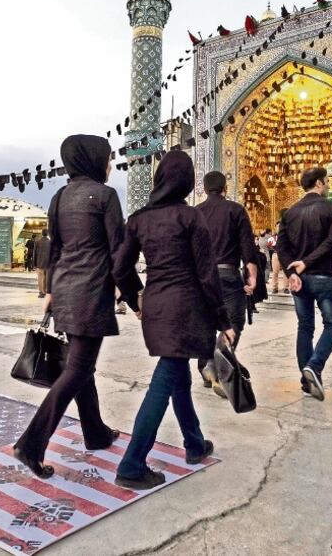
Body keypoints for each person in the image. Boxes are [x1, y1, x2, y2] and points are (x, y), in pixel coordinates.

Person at [13, 134, 142, 480]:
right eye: (109, 159)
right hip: (91, 292)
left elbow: (55, 251)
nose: (111, 166)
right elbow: (119, 253)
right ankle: (31, 444)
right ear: (94, 160)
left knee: (81, 366)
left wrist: (52, 291)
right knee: (77, 370)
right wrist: (135, 297)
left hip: (67, 291)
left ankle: (95, 432)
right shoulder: (105, 196)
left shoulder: (59, 197)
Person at [111, 151, 230, 489]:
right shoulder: (190, 217)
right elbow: (207, 274)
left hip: (156, 306)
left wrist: (136, 298)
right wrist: (223, 319)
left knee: (178, 376)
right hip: (186, 308)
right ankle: (132, 464)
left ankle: (195, 443)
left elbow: (120, 268)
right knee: (166, 379)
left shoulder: (139, 219)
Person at [275, 167, 332, 401]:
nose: (329, 185)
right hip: (323, 276)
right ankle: (314, 366)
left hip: (299, 280)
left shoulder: (289, 213)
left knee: (305, 327)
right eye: (327, 181)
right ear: (319, 183)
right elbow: (331, 242)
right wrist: (306, 263)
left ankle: (307, 383)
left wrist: (291, 272)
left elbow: (281, 247)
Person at [195, 171, 259, 396]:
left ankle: (206, 368)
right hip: (228, 275)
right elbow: (248, 248)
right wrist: (252, 277)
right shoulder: (235, 210)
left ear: (204, 189)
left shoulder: (195, 213)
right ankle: (217, 362)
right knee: (233, 323)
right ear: (225, 188)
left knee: (205, 323)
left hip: (201, 278)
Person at [268, 224, 289, 295]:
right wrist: (271, 246)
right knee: (275, 272)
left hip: (285, 255)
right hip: (276, 254)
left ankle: (286, 288)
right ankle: (275, 288)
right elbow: (269, 246)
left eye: (280, 226)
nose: (279, 228)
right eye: (277, 226)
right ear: (275, 228)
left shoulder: (287, 236)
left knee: (285, 272)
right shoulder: (272, 238)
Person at [32, 229, 52, 298]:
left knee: (40, 278)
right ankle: (46, 291)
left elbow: (35, 254)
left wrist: (34, 264)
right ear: (48, 234)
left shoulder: (37, 242)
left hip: (39, 263)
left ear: (42, 234)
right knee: (46, 278)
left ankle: (41, 293)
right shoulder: (50, 242)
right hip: (48, 263)